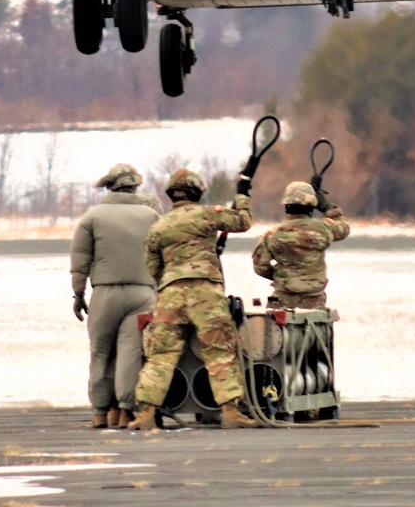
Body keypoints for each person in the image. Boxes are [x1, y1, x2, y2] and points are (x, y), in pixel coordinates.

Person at [129, 168, 258, 431]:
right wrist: (243, 195)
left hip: (170, 294)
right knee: (220, 351)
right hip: (206, 293)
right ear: (197, 192)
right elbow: (243, 222)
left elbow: (152, 268)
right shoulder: (208, 215)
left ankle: (145, 414)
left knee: (161, 355)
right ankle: (231, 412)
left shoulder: (158, 227)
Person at [70, 162, 161, 429]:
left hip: (105, 293)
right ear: (135, 186)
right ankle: (125, 411)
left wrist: (78, 293)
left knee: (101, 353)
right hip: (143, 293)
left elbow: (80, 258)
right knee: (131, 352)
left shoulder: (92, 217)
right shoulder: (151, 216)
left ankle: (100, 412)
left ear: (109, 186)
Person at [252, 181, 350, 309]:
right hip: (314, 300)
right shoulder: (324, 229)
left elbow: (260, 267)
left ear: (286, 205)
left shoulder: (271, 235)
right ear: (311, 206)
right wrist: (326, 206)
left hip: (282, 300)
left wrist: (283, 277)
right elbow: (344, 228)